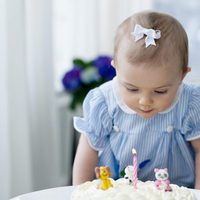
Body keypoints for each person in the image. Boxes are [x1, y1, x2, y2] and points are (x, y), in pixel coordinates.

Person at [72, 10, 200, 189]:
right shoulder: (105, 102)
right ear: (116, 68)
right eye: (132, 89)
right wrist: (80, 192)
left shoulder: (189, 103)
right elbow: (88, 150)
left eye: (160, 91)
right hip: (117, 192)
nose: (145, 101)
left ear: (182, 76)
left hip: (174, 192)